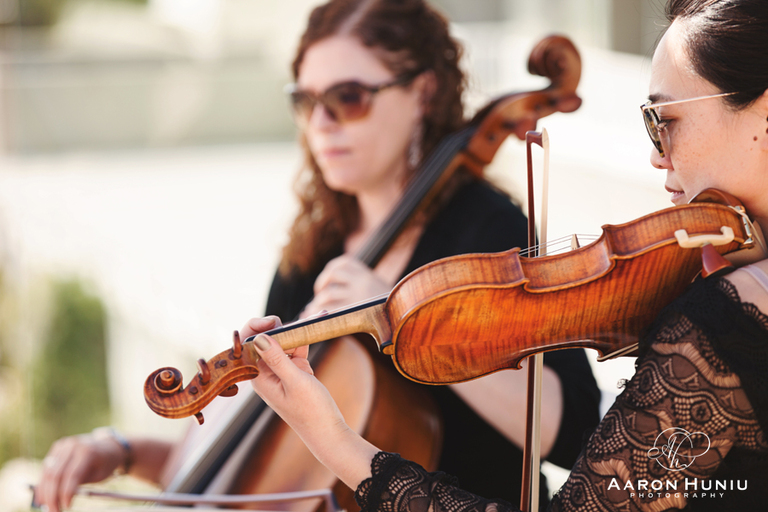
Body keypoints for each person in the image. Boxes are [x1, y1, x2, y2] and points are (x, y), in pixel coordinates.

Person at [33, 1, 599, 511]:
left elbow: (571, 433)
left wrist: (398, 314)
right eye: (305, 101)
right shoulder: (313, 252)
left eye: (348, 97)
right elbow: (254, 468)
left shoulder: (485, 230)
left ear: (422, 92)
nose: (321, 123)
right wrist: (120, 450)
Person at [242, 0, 768, 511]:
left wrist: (334, 439)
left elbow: (576, 423)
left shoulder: (723, 319)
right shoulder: (311, 251)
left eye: (663, 119)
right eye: (306, 101)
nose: (655, 155)